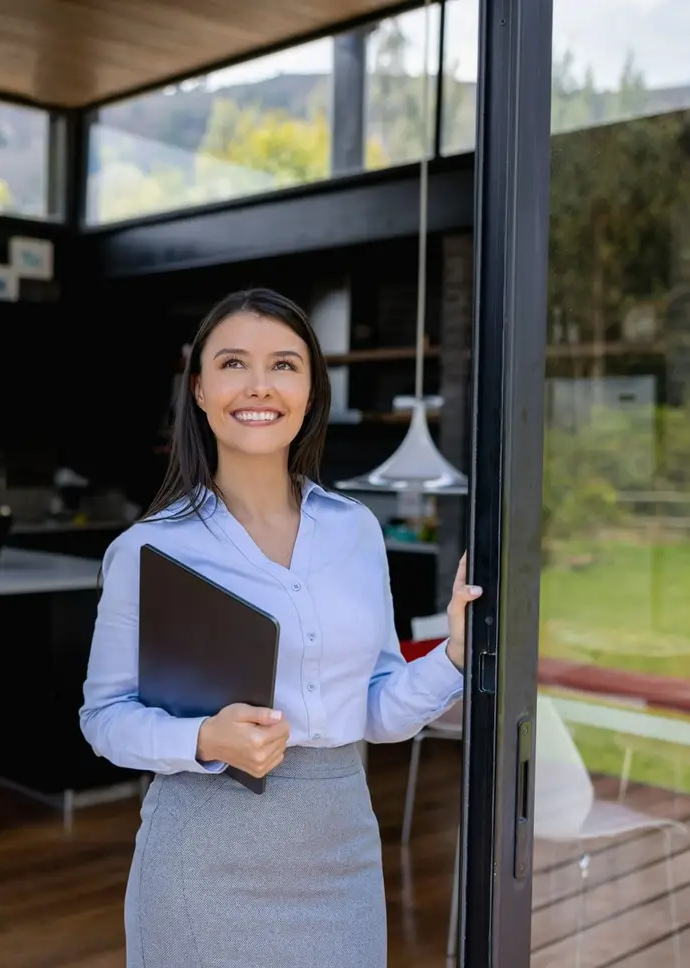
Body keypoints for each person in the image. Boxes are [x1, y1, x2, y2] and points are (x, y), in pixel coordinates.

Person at [78, 288, 481, 968]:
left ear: (311, 390)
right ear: (200, 390)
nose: (259, 386)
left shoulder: (356, 530)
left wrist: (453, 656)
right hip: (204, 858)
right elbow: (105, 718)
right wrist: (204, 736)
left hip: (341, 852)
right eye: (234, 364)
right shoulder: (150, 550)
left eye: (284, 365)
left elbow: (376, 709)